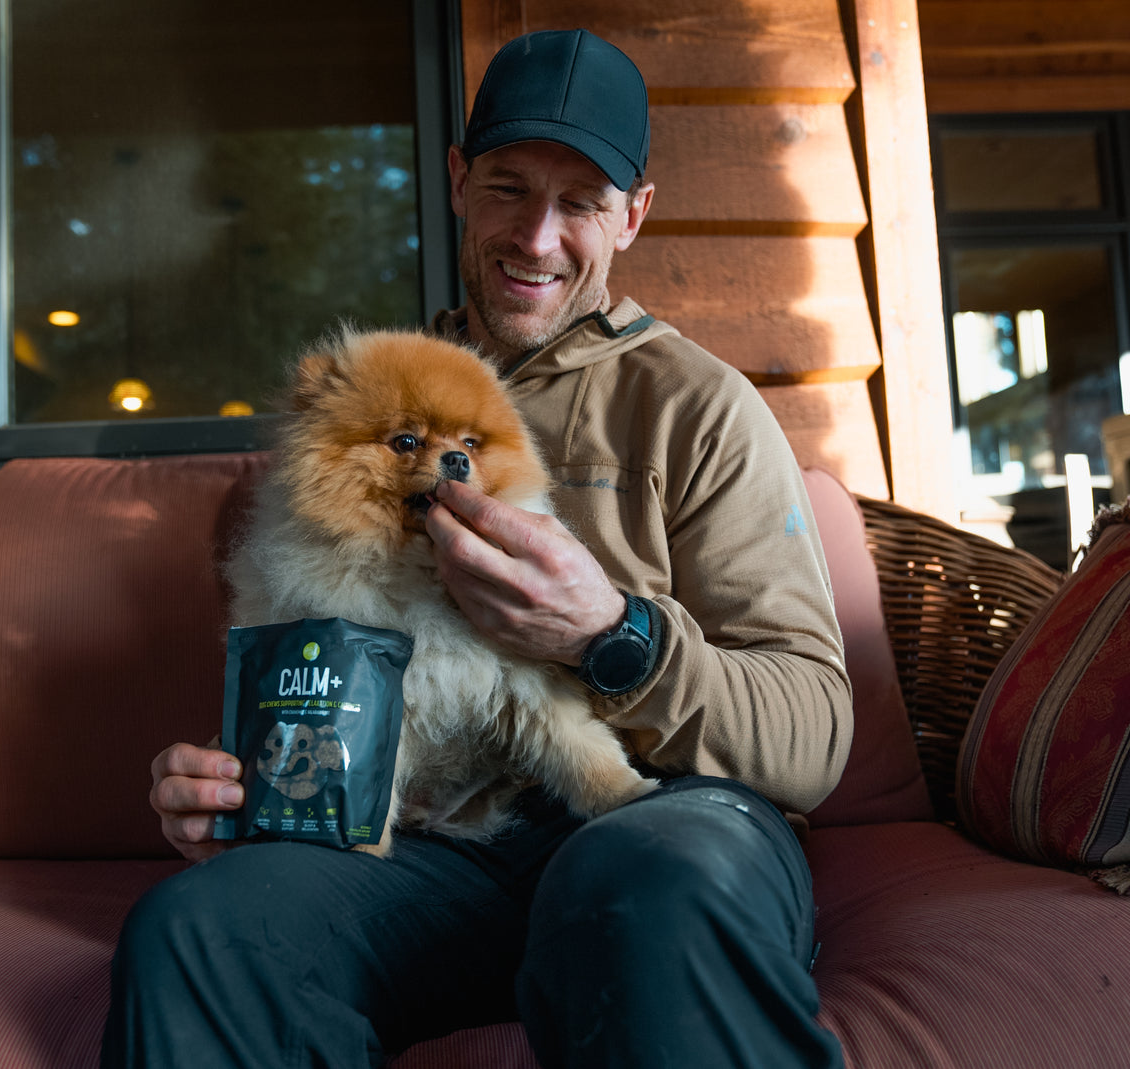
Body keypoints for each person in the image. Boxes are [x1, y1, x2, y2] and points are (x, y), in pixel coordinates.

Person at [102, 28, 851, 1069]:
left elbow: (811, 738)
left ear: (632, 215)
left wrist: (611, 634)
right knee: (201, 929)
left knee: (643, 889)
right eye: (508, 187)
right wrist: (247, 793)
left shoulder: (698, 408)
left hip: (661, 820)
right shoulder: (373, 402)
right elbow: (310, 672)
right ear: (459, 182)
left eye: (580, 202)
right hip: (435, 856)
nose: (536, 238)